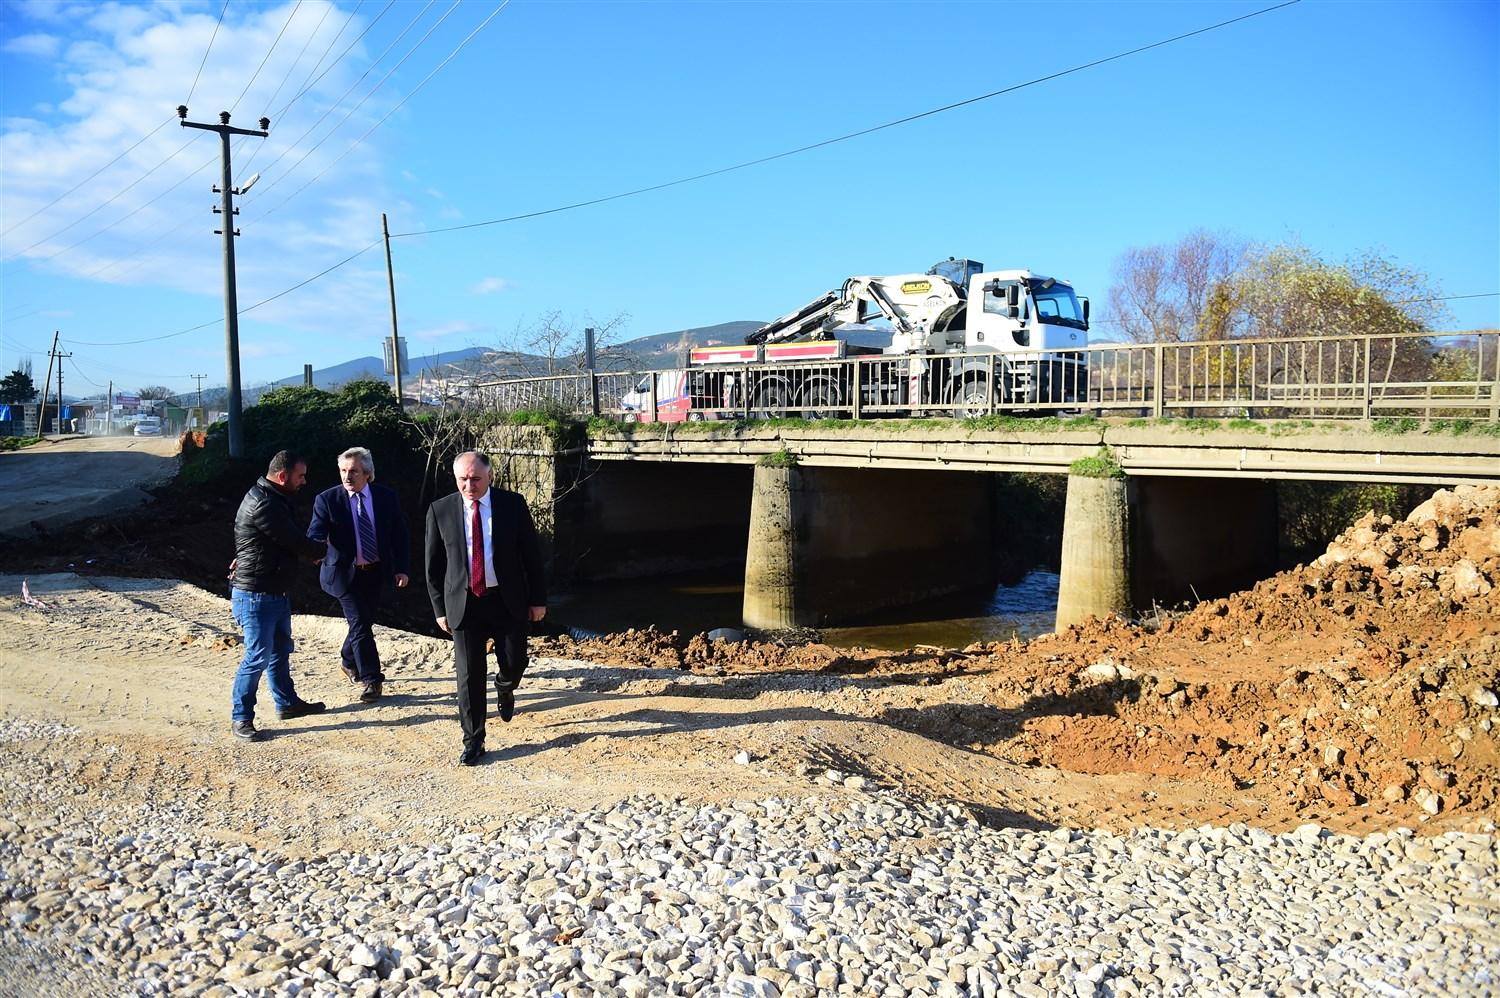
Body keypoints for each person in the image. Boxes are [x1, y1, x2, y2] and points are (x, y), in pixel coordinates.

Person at [424, 450, 546, 766]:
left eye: (475, 478)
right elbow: (433, 566)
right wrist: (440, 609)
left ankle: (505, 688)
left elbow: (531, 555)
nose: (469, 485)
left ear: (489, 476)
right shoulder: (441, 510)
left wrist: (538, 600)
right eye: (463, 479)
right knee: (468, 676)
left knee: (515, 661)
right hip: (464, 603)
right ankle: (473, 740)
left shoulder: (512, 505)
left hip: (507, 599)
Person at [230, 450, 329, 742]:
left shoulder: (273, 498)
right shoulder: (264, 504)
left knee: (280, 650)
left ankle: (287, 703)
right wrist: (322, 550)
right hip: (256, 594)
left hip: (273, 590)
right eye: (300, 476)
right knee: (258, 656)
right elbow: (294, 541)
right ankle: (241, 718)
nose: (304, 481)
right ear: (283, 476)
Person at [307, 446, 411, 703]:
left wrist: (402, 567)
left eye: (353, 471)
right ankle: (371, 679)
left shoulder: (385, 497)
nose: (347, 476)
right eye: (343, 471)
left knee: (362, 622)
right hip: (344, 574)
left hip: (375, 570)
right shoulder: (327, 499)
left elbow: (400, 534)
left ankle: (347, 658)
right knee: (361, 624)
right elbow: (316, 531)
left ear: (367, 473)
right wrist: (315, 547)